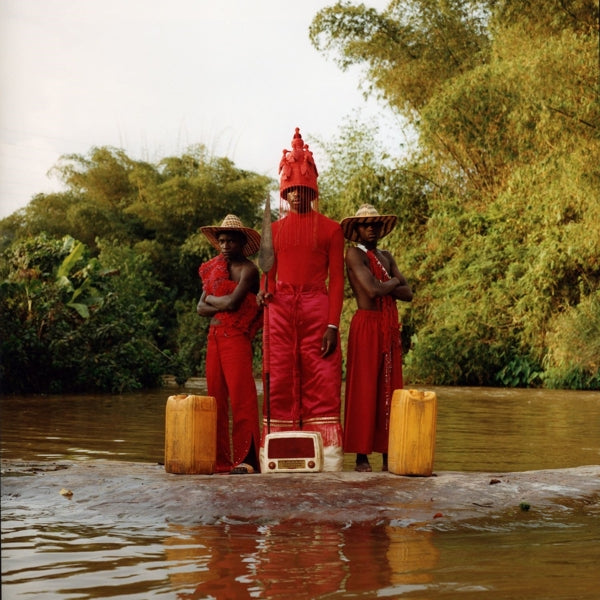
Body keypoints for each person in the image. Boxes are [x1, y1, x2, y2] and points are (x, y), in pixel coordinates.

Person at [257, 127, 345, 471]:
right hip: (279, 308)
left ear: (312, 190)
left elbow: (337, 280)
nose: (296, 194)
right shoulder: (274, 231)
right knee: (278, 376)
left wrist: (333, 324)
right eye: (290, 189)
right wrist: (264, 293)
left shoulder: (331, 229)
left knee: (323, 376)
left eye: (302, 189)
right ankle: (276, 456)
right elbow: (268, 274)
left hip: (316, 305)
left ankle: (329, 459)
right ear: (284, 191)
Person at [340, 204, 413, 472]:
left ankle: (387, 452)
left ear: (382, 228)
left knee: (390, 387)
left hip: (389, 327)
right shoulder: (353, 254)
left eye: (375, 224)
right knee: (365, 386)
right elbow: (372, 290)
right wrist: (394, 282)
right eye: (365, 224)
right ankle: (361, 455)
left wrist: (390, 286)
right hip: (367, 325)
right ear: (357, 230)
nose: (371, 227)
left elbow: (409, 294)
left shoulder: (386, 255)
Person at [197, 214, 263, 474]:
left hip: (236, 338)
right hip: (213, 338)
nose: (225, 245)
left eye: (230, 241)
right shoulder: (213, 268)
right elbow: (199, 308)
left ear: (241, 242)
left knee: (242, 398)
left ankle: (248, 460)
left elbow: (232, 304)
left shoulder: (248, 269)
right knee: (215, 399)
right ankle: (221, 460)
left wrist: (212, 300)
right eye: (221, 241)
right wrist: (216, 301)